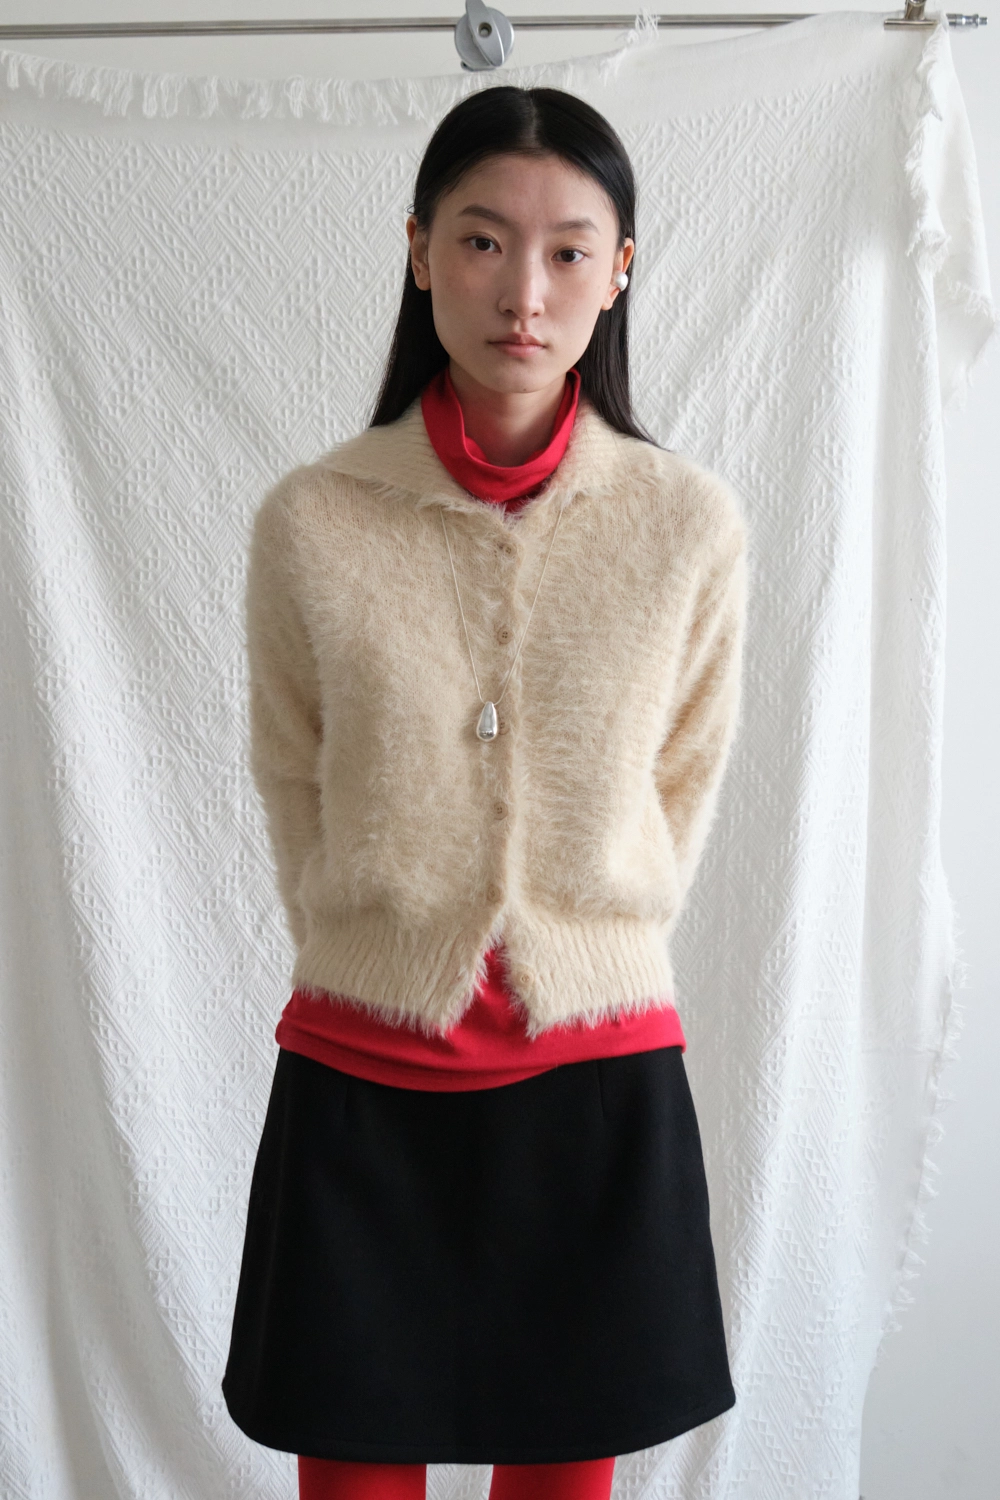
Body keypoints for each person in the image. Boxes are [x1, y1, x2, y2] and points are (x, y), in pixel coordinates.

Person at [223, 84, 748, 1500]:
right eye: (481, 240)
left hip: (598, 1079)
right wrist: (377, 936)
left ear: (619, 270)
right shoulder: (314, 519)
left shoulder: (686, 525)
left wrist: (590, 927)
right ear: (418, 250)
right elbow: (292, 772)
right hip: (363, 1072)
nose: (525, 291)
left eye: (570, 250)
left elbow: (684, 776)